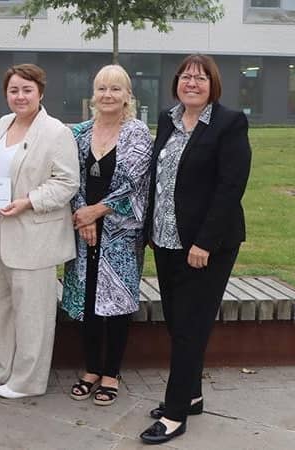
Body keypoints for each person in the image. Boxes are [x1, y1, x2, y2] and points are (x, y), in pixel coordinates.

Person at [139, 54, 251, 445]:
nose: (192, 83)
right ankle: (193, 394)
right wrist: (152, 226)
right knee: (177, 323)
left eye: (201, 78)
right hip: (167, 242)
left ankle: (174, 414)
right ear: (177, 83)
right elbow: (159, 178)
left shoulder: (229, 123)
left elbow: (230, 187)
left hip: (207, 247)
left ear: (212, 85)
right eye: (186, 76)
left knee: (189, 328)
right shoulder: (168, 120)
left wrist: (205, 241)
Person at [0, 64, 80, 399]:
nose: (19, 96)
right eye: (13, 90)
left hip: (32, 230)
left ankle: (28, 380)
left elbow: (67, 183)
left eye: (27, 90)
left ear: (41, 92)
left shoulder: (56, 132)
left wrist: (28, 201)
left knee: (32, 309)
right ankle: (4, 367)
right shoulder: (2, 125)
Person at [61, 65, 153, 406]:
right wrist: (82, 215)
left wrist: (96, 211)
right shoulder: (79, 133)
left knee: (116, 304)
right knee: (87, 300)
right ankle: (91, 369)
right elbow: (69, 178)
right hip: (83, 231)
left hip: (121, 235)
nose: (108, 95)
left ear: (128, 94)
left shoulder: (138, 134)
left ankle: (111, 373)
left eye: (116, 89)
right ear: (93, 94)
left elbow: (136, 185)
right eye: (102, 88)